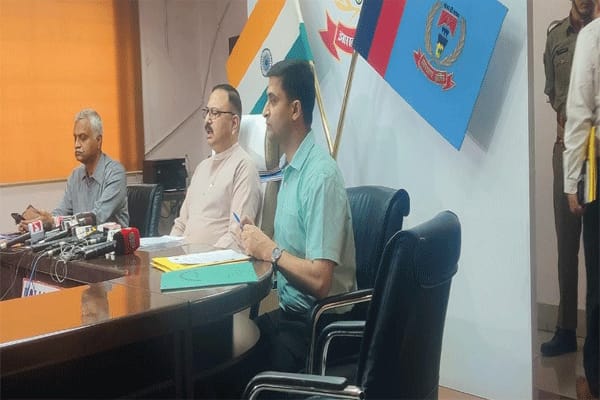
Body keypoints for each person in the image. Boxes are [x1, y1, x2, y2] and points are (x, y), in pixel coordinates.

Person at [240, 59, 357, 373]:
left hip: (321, 326)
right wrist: (257, 243)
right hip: (293, 315)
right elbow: (288, 250)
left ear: (295, 110)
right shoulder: (290, 172)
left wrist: (270, 250)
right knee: (219, 350)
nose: (265, 111)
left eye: (272, 100)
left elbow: (320, 280)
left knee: (237, 368)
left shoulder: (320, 177)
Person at [542, 0, 594, 357]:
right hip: (566, 151)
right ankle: (565, 328)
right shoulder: (555, 37)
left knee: (597, 248)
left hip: (597, 156)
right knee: (566, 244)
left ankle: (596, 335)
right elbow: (552, 93)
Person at [170, 84, 261, 251]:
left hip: (214, 264)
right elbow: (181, 225)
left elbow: (237, 235)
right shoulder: (201, 168)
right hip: (184, 262)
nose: (207, 120)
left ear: (234, 123)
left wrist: (202, 259)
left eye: (215, 113)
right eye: (207, 112)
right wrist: (168, 253)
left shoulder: (244, 167)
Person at [563, 0, 600, 397]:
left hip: (599, 169)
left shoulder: (592, 36)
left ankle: (595, 380)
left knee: (599, 280)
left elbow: (580, 113)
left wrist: (571, 181)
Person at [19, 108, 129, 230]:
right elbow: (61, 213)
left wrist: (53, 222)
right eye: (75, 138)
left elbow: (96, 216)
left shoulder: (115, 172)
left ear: (98, 140)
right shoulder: (75, 176)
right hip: (82, 241)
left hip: (112, 241)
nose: (76, 145)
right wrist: (38, 223)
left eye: (83, 138)